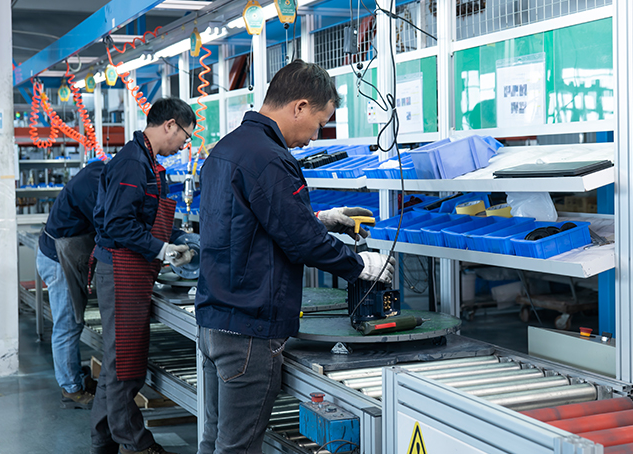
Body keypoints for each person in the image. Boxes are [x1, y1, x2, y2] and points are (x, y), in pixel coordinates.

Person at [195, 59, 395, 454]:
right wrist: (361, 265)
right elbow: (302, 242)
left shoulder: (227, 148)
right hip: (249, 329)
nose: (314, 137)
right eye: (319, 124)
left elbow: (247, 222)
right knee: (237, 449)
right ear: (299, 107)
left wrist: (319, 218)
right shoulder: (270, 157)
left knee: (215, 440)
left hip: (215, 320)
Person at [90, 98, 197, 454]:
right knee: (126, 364)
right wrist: (161, 250)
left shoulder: (147, 162)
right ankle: (137, 443)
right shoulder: (133, 163)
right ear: (170, 125)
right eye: (185, 136)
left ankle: (102, 440)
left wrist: (176, 239)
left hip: (130, 268)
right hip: (120, 269)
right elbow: (118, 223)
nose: (184, 145)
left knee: (116, 363)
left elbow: (143, 217)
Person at [36, 158, 105, 409]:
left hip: (61, 256)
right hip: (58, 260)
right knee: (67, 325)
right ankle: (71, 389)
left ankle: (74, 378)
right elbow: (109, 226)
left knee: (72, 323)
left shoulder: (99, 174)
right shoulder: (94, 186)